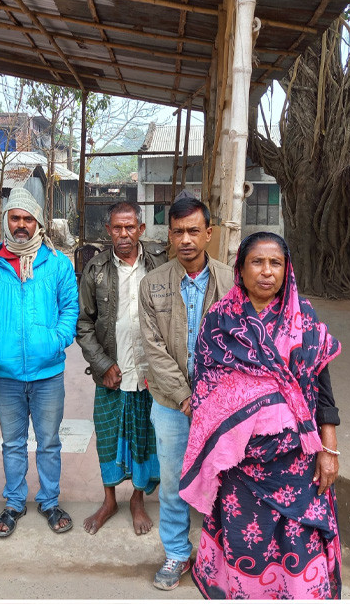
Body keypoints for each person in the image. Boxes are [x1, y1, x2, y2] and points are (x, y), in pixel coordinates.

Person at [180, 232, 342, 600]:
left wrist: (328, 448)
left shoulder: (305, 317)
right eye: (257, 262)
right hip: (241, 468)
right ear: (240, 268)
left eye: (276, 263)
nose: (267, 272)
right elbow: (206, 390)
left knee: (299, 543)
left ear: (287, 270)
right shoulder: (219, 320)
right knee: (246, 546)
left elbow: (322, 388)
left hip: (298, 464)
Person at [139, 195, 234, 590]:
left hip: (226, 406)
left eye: (194, 230)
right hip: (170, 405)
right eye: (177, 231)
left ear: (208, 233)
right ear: (169, 236)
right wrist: (184, 397)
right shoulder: (153, 284)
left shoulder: (233, 281)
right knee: (175, 482)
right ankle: (177, 554)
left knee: (228, 481)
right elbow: (153, 348)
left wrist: (213, 396)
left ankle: (227, 555)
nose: (186, 239)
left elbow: (243, 343)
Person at [0, 188, 78, 537]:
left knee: (49, 441)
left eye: (28, 218)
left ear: (37, 222)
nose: (22, 225)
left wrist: (56, 340)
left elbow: (70, 307)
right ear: (6, 220)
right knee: (12, 442)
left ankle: (50, 501)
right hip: (6, 372)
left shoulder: (56, 263)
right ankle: (13, 503)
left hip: (48, 372)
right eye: (15, 217)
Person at [76, 201, 165, 536]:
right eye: (117, 227)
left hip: (149, 371)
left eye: (130, 227)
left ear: (141, 229)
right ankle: (109, 500)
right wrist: (102, 364)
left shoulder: (159, 263)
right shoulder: (95, 269)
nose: (124, 234)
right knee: (108, 437)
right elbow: (84, 324)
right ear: (108, 230)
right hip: (112, 373)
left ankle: (137, 500)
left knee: (143, 437)